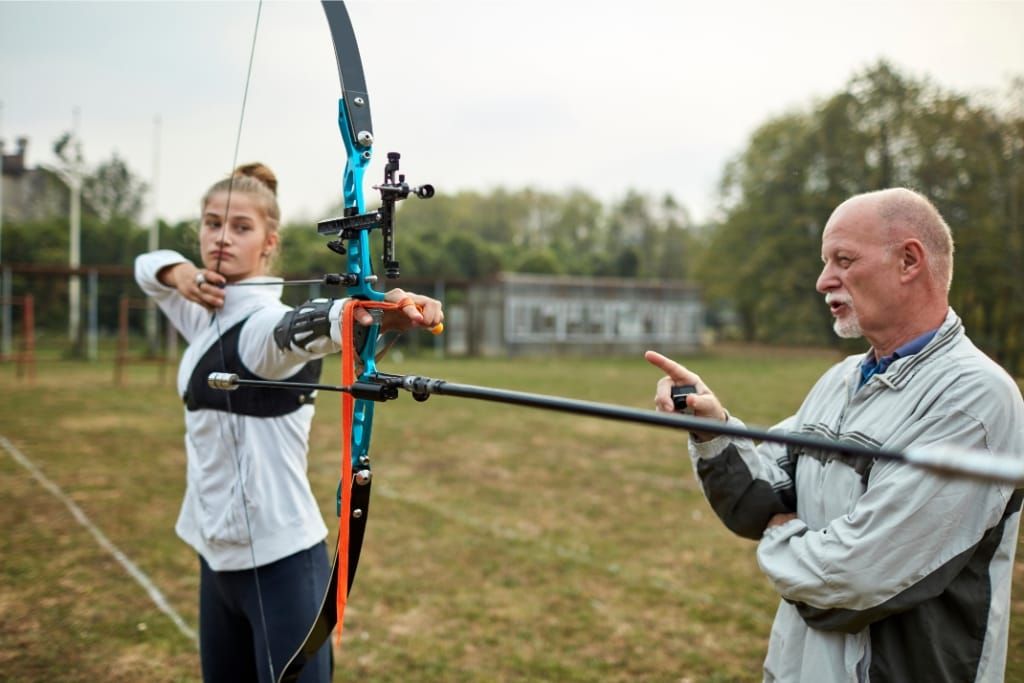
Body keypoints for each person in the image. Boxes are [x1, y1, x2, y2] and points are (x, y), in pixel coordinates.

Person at [646, 188, 1024, 682]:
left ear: (909, 261)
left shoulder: (974, 400)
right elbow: (758, 500)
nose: (824, 280)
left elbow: (855, 580)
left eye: (843, 260)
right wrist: (711, 427)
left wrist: (782, 537)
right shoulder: (839, 381)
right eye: (826, 262)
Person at [135, 163, 443, 683]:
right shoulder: (201, 308)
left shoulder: (258, 325)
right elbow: (148, 264)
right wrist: (181, 275)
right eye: (212, 224)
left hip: (281, 563)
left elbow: (298, 330)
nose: (221, 238)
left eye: (240, 228)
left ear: (268, 243)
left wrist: (371, 313)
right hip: (217, 556)